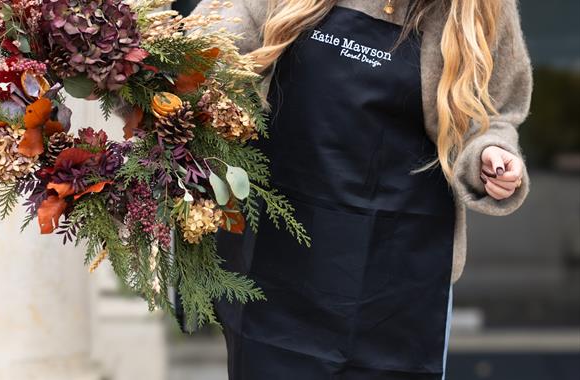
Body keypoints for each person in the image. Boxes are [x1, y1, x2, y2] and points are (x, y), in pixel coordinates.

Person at [192, 0, 532, 378]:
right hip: (278, 271)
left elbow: (493, 114)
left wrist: (491, 155)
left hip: (403, 284)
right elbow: (202, 56)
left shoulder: (481, 9)